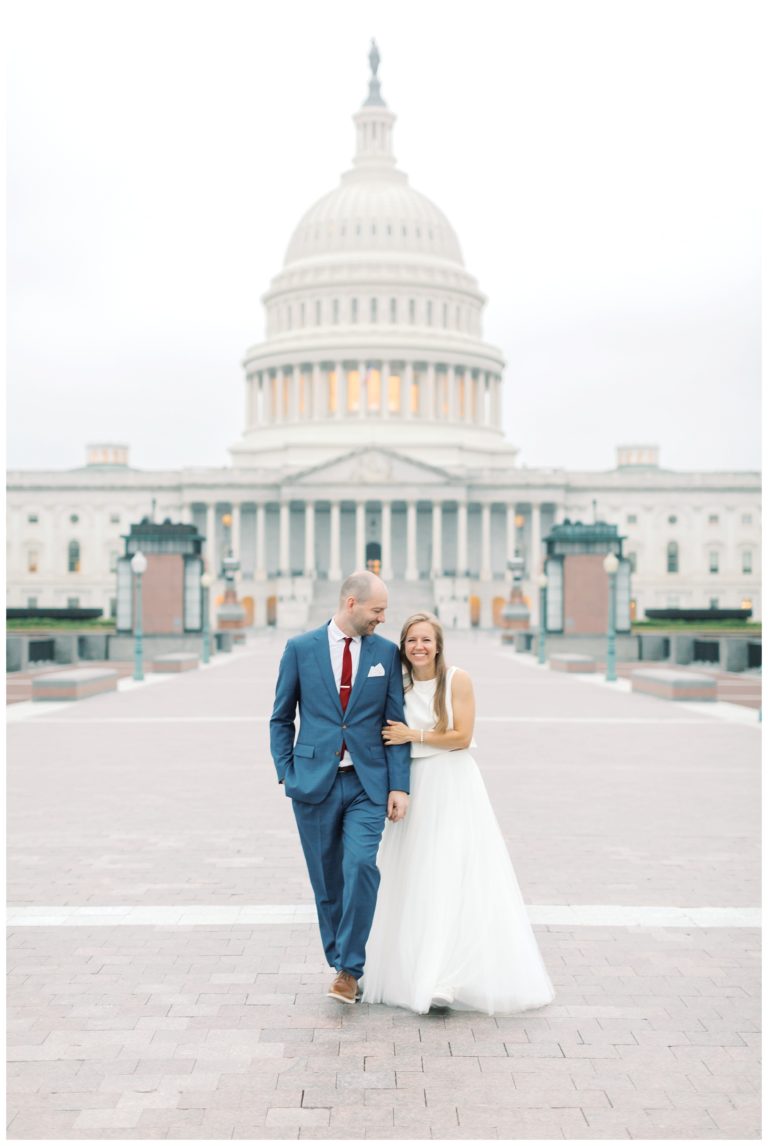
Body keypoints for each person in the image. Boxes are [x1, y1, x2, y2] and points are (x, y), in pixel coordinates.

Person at [361, 611, 556, 1015]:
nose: (419, 647)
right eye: (412, 640)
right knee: (415, 876)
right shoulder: (398, 684)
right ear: (403, 644)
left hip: (453, 784)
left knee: (453, 873)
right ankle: (412, 970)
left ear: (439, 645)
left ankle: (448, 976)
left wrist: (412, 734)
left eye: (426, 640)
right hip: (415, 785)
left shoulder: (456, 680)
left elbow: (462, 737)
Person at [269, 571, 411, 1004]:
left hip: (368, 784)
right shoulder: (299, 649)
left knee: (361, 866)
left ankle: (349, 969)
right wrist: (286, 771)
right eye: (377, 610)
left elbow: (394, 723)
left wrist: (399, 785)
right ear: (352, 603)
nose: (383, 620)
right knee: (327, 880)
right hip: (314, 785)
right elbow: (280, 717)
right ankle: (339, 959)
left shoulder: (385, 654)